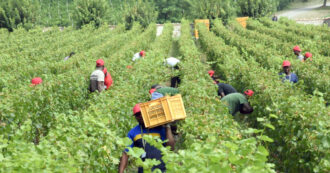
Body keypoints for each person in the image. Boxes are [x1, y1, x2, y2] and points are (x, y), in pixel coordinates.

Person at [119, 104, 175, 173]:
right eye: (137, 115)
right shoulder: (133, 132)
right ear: (135, 117)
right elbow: (126, 153)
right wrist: (121, 171)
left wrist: (167, 126)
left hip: (162, 169)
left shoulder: (160, 129)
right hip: (144, 170)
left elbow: (171, 148)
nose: (140, 116)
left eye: (142, 113)